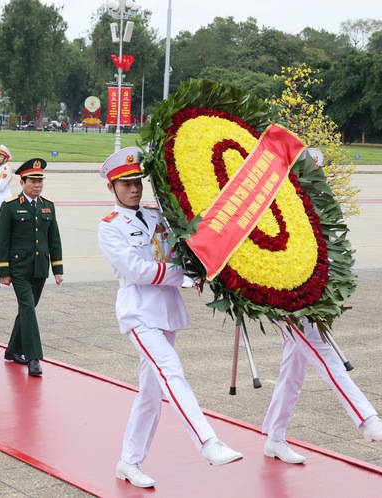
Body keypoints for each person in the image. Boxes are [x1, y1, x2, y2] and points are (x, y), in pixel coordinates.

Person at [97, 147, 243, 488]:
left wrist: (202, 268)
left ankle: (129, 461)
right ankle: (208, 442)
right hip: (138, 311)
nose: (134, 189)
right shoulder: (110, 227)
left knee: (150, 392)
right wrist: (181, 275)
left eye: (137, 182)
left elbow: (183, 252)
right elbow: (136, 270)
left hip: (166, 311)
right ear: (112, 188)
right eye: (126, 184)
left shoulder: (157, 217)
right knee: (170, 371)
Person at [261, 316, 382, 464]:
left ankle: (275, 437)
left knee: (292, 370)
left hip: (294, 301)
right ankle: (368, 421)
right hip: (286, 304)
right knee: (328, 359)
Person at [0, 158, 63, 377]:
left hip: (40, 267)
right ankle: (33, 357)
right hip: (19, 267)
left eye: (40, 181)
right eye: (33, 181)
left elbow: (54, 239)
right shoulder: (11, 206)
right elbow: (2, 239)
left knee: (27, 309)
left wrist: (57, 269)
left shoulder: (47, 206)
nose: (37, 185)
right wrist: (3, 271)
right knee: (28, 308)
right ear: (22, 182)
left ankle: (13, 350)